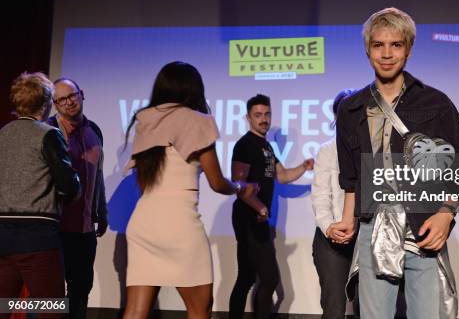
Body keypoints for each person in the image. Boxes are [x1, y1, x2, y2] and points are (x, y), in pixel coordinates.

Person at [331, 7, 459, 318]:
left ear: (408, 49)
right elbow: (351, 177)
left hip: (423, 223)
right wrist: (348, 220)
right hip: (374, 228)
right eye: (378, 45)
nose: (386, 54)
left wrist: (446, 214)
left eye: (395, 45)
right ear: (367, 50)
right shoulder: (351, 108)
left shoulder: (435, 102)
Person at [122, 62, 257, 319]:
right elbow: (217, 183)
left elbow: (142, 181)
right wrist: (240, 188)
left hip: (143, 221)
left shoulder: (145, 120)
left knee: (136, 310)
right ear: (193, 89)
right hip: (179, 223)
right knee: (200, 309)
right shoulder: (197, 121)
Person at [0, 72, 81, 319]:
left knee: (4, 306)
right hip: (38, 239)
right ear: (46, 104)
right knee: (51, 310)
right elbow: (69, 185)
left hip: (3, 238)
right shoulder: (47, 134)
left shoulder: (3, 134)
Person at [229, 94, 314, 319]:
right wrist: (259, 207)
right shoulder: (244, 145)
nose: (263, 119)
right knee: (268, 279)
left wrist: (304, 168)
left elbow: (283, 176)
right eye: (258, 115)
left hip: (259, 218)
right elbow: (239, 184)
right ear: (248, 117)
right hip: (249, 219)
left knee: (247, 277)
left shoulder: (266, 146)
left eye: (267, 114)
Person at [48, 77, 107, 319]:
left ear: (82, 94)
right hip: (54, 227)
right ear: (54, 104)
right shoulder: (48, 131)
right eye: (61, 99)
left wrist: (101, 211)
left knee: (81, 289)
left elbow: (98, 174)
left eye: (72, 96)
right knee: (47, 295)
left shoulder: (94, 131)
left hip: (84, 229)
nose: (69, 103)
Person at [311, 88, 358, 319]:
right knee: (334, 309)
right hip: (331, 237)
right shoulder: (327, 150)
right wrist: (330, 226)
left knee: (371, 307)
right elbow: (321, 196)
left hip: (365, 237)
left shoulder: (373, 150)